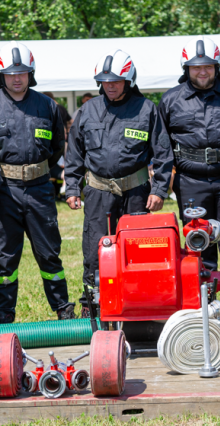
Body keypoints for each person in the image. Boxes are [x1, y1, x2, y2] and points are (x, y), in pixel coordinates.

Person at [0, 41, 75, 323]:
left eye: (23, 72)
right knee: (5, 259)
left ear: (31, 73)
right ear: (0, 74)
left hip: (40, 189)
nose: (17, 78)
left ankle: (63, 307)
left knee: (50, 254)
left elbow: (57, 147)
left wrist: (38, 172)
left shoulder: (48, 106)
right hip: (3, 191)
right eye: (10, 73)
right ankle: (5, 313)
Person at [66, 50, 173, 316]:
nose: (110, 85)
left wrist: (159, 189)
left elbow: (162, 152)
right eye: (105, 81)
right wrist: (71, 187)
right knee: (94, 251)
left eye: (116, 80)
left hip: (136, 193)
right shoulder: (88, 110)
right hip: (98, 193)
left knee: (136, 250)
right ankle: (91, 305)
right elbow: (74, 151)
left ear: (129, 80)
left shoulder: (147, 109)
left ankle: (138, 302)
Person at [159, 37, 220, 310]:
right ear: (186, 68)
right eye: (195, 67)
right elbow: (162, 142)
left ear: (217, 66)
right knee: (198, 242)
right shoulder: (170, 100)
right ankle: (204, 300)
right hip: (191, 182)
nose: (202, 71)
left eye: (208, 66)